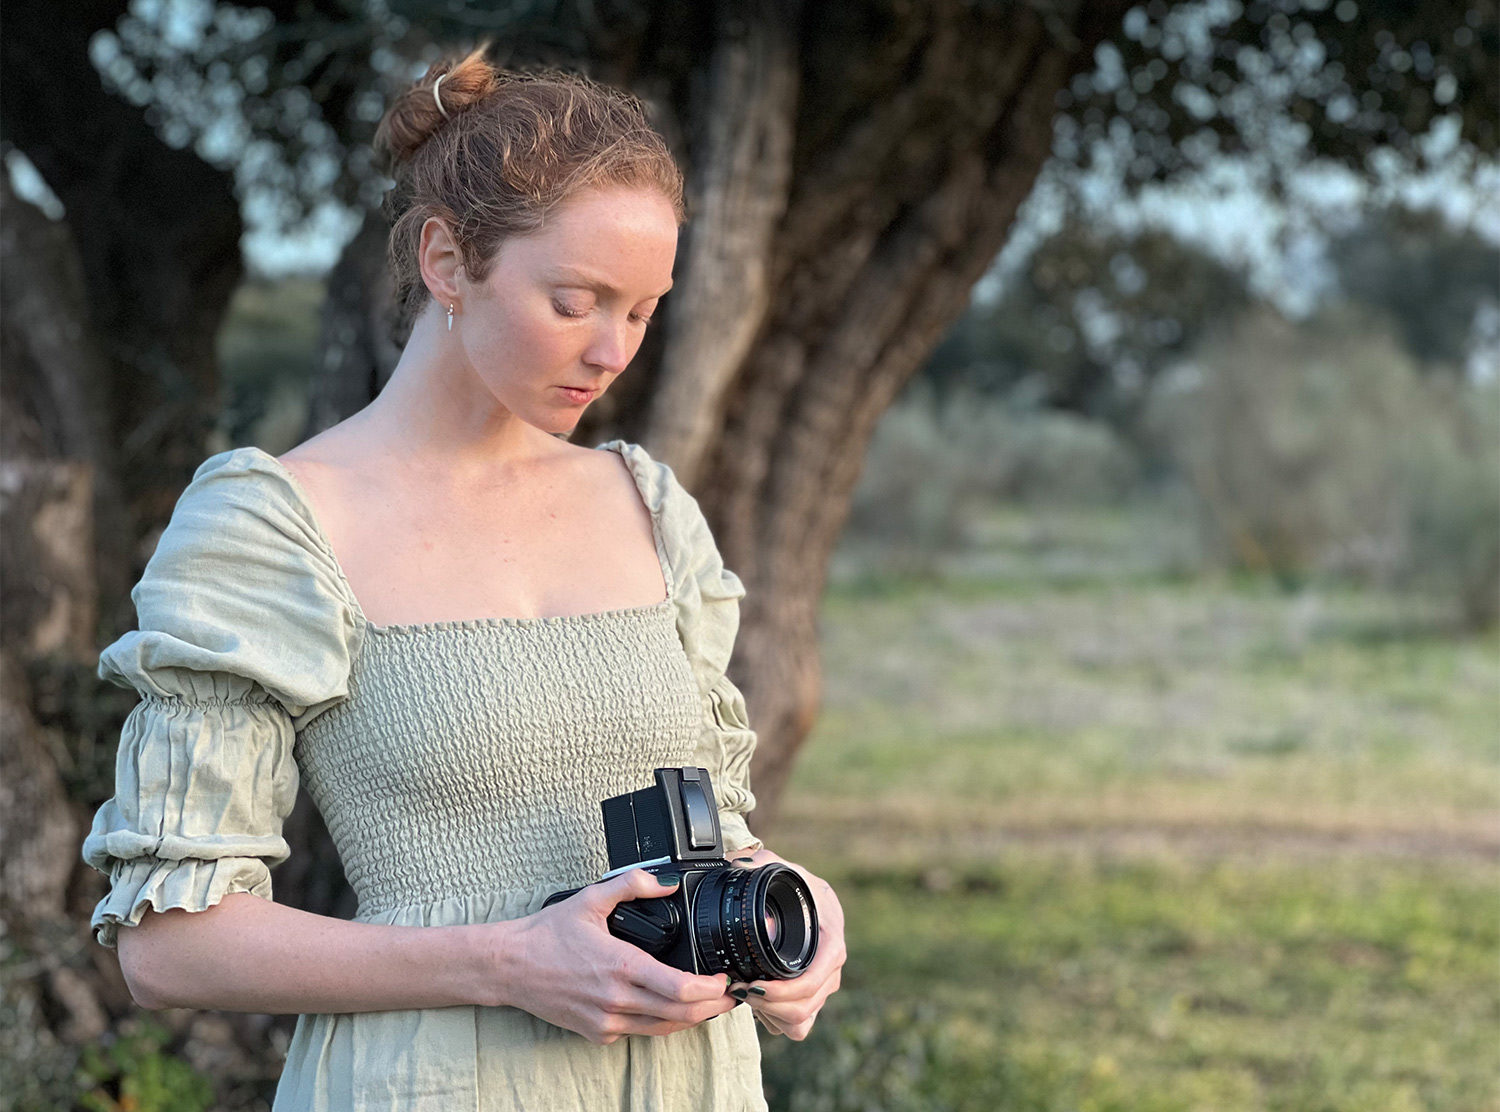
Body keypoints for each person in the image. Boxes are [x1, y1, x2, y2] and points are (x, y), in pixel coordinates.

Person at [80, 43, 846, 1111]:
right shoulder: (277, 523)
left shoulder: (649, 506)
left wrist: (795, 902)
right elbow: (170, 947)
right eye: (575, 300)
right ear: (448, 261)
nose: (613, 348)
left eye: (642, 308)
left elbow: (716, 832)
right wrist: (508, 959)